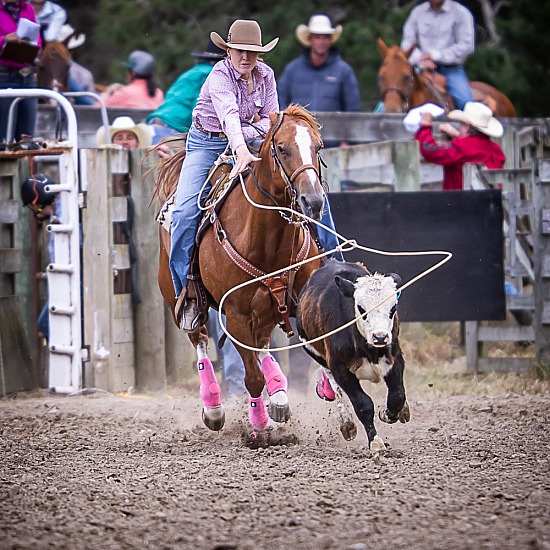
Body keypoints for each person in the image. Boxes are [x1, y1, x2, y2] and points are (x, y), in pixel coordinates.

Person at [169, 19, 342, 332]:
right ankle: (187, 289)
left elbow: (273, 122)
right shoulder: (220, 76)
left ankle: (335, 264)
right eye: (239, 51)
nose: (245, 57)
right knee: (183, 212)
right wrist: (243, 149)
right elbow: (230, 119)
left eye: (251, 52)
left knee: (312, 190)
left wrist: (255, 136)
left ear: (258, 54)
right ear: (228, 51)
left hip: (251, 140)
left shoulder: (267, 75)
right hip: (207, 143)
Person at [277, 13, 360, 147]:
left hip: (334, 144)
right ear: (310, 40)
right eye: (317, 37)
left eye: (325, 37)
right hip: (299, 146)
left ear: (330, 40)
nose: (321, 42)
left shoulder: (344, 71)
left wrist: (346, 140)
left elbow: (352, 108)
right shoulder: (292, 71)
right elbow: (280, 103)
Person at [146, 39, 225, 145]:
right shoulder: (212, 75)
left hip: (156, 124)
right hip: (173, 130)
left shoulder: (194, 71)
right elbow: (200, 109)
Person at [415, 101, 506, 190]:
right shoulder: (496, 149)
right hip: (490, 202)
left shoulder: (461, 147)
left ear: (467, 127)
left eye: (462, 124)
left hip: (460, 202)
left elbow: (430, 150)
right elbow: (474, 147)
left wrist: (425, 125)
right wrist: (458, 135)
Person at [401, 0, 475, 110]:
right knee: (393, 95)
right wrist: (421, 57)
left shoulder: (461, 13)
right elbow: (407, 42)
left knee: (466, 104)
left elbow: (466, 46)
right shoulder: (417, 12)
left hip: (450, 70)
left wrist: (434, 56)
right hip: (419, 69)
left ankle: (469, 126)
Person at [20, 173, 60, 342]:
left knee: (45, 324)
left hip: (71, 279)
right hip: (63, 278)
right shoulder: (58, 212)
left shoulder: (62, 215)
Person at [0, 0, 42, 144]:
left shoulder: (27, 8)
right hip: (3, 75)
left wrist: (33, 46)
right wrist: (4, 40)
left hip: (26, 74)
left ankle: (25, 165)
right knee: (3, 136)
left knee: (27, 137)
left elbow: (37, 39)